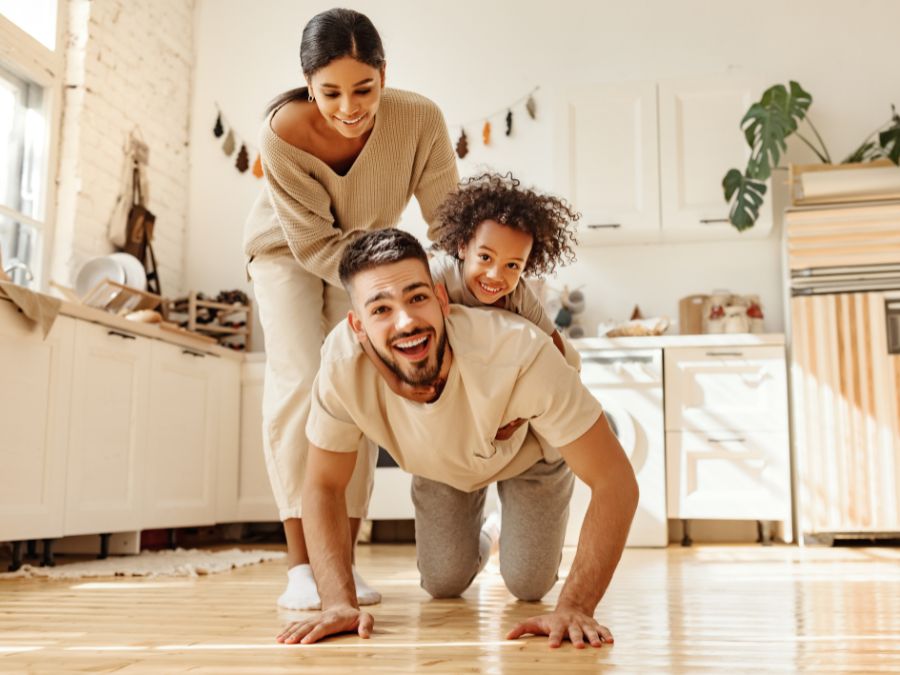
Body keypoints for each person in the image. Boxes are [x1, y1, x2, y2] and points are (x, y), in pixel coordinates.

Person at [276, 229, 639, 647]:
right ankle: (491, 532)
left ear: (441, 299)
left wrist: (576, 604)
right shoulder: (341, 366)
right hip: (440, 463)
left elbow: (616, 483)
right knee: (442, 582)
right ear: (357, 325)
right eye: (380, 309)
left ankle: (508, 524)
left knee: (528, 583)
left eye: (417, 298)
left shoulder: (520, 353)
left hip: (527, 455)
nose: (406, 321)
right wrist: (337, 602)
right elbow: (323, 484)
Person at [243, 8, 459, 610]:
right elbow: (311, 244)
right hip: (286, 250)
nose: (349, 107)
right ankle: (300, 567)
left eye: (364, 89)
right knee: (298, 380)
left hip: (364, 257)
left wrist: (477, 276)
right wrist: (385, 281)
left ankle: (342, 556)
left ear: (384, 76)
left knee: (353, 386)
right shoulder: (282, 132)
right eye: (331, 91)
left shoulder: (421, 120)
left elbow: (448, 222)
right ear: (308, 83)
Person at [367, 172, 581, 404]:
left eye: (512, 265)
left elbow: (555, 350)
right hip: (443, 371)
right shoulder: (438, 276)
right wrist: (396, 383)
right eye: (485, 257)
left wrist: (527, 409)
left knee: (573, 361)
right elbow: (383, 328)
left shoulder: (519, 293)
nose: (495, 276)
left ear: (526, 265)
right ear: (462, 247)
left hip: (491, 375)